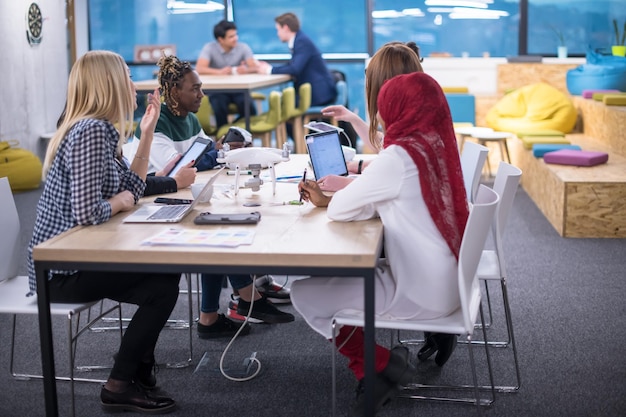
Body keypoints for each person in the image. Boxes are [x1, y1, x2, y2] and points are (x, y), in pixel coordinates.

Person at [293, 67, 470, 415]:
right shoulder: (435, 145)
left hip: (422, 291)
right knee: (337, 282)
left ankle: (378, 366)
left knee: (304, 292)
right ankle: (377, 368)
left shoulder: (398, 157)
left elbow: (342, 209)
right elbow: (380, 201)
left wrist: (342, 197)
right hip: (448, 279)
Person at [27, 50, 179, 414]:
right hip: (60, 269)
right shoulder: (91, 131)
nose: (133, 84)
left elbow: (132, 186)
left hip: (77, 256)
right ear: (110, 83)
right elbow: (89, 211)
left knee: (166, 275)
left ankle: (136, 372)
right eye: (127, 75)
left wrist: (146, 134)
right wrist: (120, 203)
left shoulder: (101, 129)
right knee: (161, 287)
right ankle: (120, 383)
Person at [137, 54, 294, 337]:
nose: (202, 94)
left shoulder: (190, 118)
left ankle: (212, 316)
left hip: (181, 195)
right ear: (174, 92)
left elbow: (204, 156)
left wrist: (218, 149)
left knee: (218, 223)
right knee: (216, 226)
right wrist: (212, 153)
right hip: (152, 205)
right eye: (195, 89)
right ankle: (247, 298)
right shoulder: (158, 124)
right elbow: (182, 168)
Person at [314, 41, 424, 193]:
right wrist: (353, 119)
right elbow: (384, 149)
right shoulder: (418, 118)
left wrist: (345, 184)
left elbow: (389, 185)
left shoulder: (408, 139)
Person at [257, 12, 336, 108]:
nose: (278, 34)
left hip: (318, 95)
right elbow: (292, 66)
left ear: (285, 28)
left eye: (278, 30)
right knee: (283, 102)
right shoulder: (299, 40)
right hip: (316, 93)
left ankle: (293, 123)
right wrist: (269, 68)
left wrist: (268, 70)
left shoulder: (301, 42)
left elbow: (294, 69)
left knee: (282, 104)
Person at [196, 20, 258, 132]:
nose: (236, 38)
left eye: (236, 35)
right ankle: (224, 135)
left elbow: (254, 67)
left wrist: (246, 70)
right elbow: (199, 68)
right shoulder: (210, 48)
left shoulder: (243, 48)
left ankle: (234, 130)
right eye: (231, 36)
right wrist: (219, 72)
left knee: (249, 107)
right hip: (218, 90)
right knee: (218, 103)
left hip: (238, 89)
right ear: (221, 39)